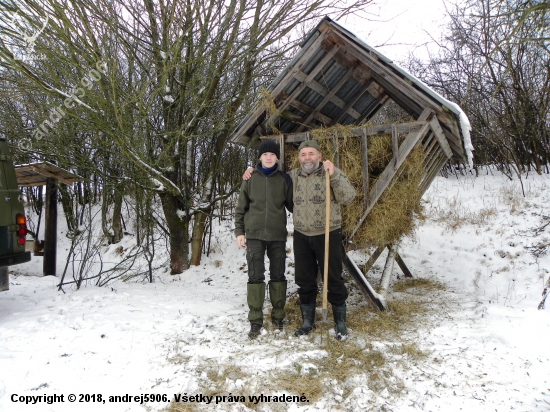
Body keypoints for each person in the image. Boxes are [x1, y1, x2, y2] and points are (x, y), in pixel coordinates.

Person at [244, 140, 355, 340]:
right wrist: (252, 171)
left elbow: (348, 197)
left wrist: (335, 174)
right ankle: (307, 322)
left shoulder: (330, 173)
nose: (307, 158)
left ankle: (340, 323)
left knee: (334, 278)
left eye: (311, 154)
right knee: (305, 280)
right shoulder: (292, 177)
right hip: (302, 235)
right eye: (303, 155)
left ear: (319, 156)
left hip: (328, 233)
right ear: (299, 158)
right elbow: (271, 176)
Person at [234, 139, 293, 339]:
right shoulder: (250, 179)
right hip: (254, 236)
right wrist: (239, 232)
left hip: (277, 236)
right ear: (259, 157)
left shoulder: (284, 179)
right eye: (265, 154)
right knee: (255, 277)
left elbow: (294, 205)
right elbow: (240, 208)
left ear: (277, 157)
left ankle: (277, 317)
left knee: (278, 276)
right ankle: (255, 321)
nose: (268, 157)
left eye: (272, 154)